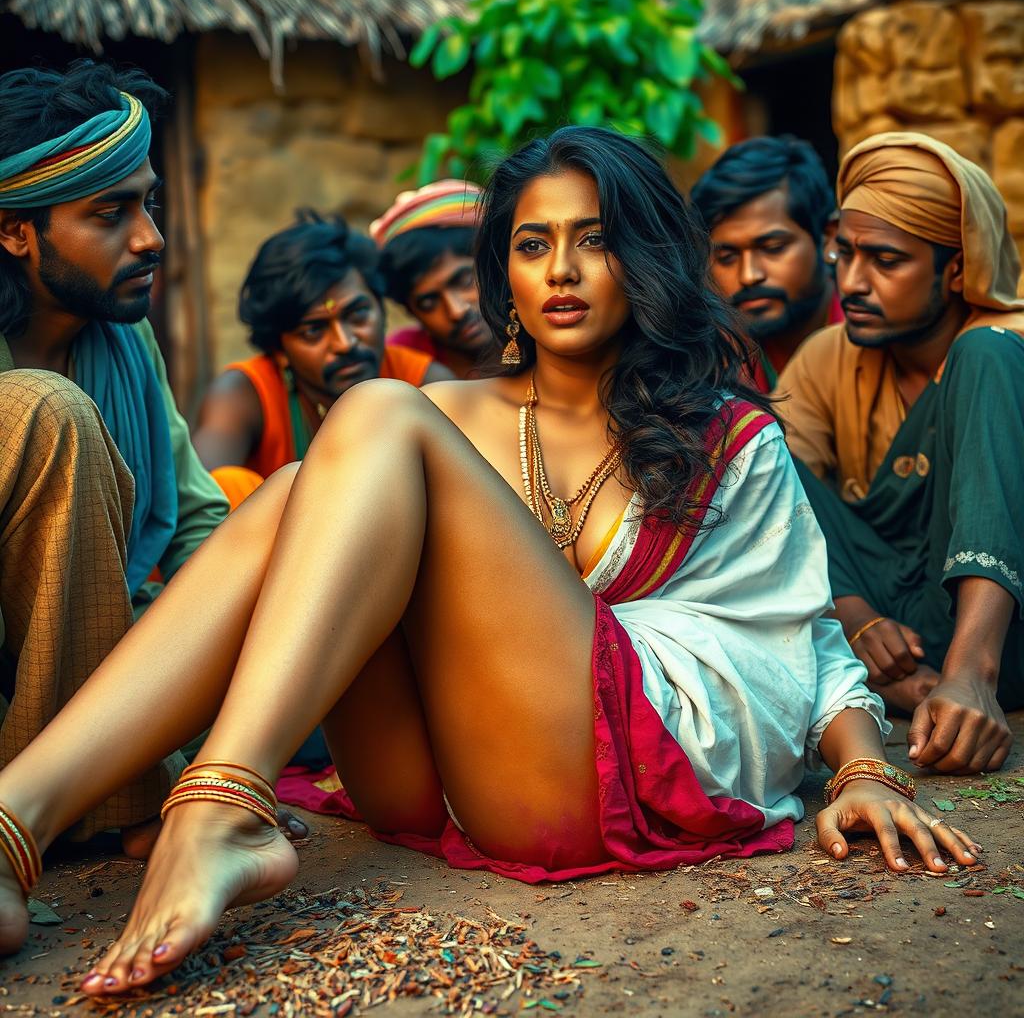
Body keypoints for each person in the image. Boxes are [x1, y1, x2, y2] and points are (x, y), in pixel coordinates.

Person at [0, 128, 979, 988]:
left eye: (593, 239)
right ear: (502, 272)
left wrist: (863, 771)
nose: (560, 270)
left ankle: (220, 803)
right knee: (306, 489)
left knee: (377, 412)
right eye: (531, 243)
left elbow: (804, 631)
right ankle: (15, 822)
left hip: (643, 751)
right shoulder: (455, 419)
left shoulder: (727, 432)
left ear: (644, 257)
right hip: (445, 776)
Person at [0, 61, 231, 847]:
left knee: (302, 500)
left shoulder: (125, 341)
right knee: (50, 411)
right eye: (110, 213)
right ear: (14, 230)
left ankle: (163, 776)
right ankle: (98, 794)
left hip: (107, 661)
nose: (150, 238)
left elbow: (201, 522)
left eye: (150, 204)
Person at [776, 131, 1024, 773]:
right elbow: (777, 493)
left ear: (958, 269)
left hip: (1005, 633)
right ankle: (913, 690)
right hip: (894, 627)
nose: (853, 281)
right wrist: (854, 617)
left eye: (886, 261)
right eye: (846, 253)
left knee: (985, 354)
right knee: (747, 435)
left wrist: (968, 673)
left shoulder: (1007, 348)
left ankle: (971, 676)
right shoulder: (828, 357)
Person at [192, 212, 453, 504]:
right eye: (314, 330)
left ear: (380, 308)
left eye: (357, 315)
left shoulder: (426, 384)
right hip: (278, 546)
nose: (345, 343)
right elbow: (199, 499)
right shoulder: (244, 395)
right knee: (228, 485)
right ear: (279, 351)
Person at [691, 136, 842, 389]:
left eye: (773, 248)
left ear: (828, 239)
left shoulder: (880, 345)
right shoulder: (710, 368)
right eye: (727, 257)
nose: (749, 275)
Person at [372, 180, 493, 378]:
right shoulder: (402, 363)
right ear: (411, 312)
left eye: (465, 281)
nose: (457, 311)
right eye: (428, 303)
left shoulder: (544, 340)